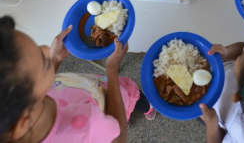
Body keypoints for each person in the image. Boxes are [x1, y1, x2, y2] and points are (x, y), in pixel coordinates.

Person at [0, 16, 156, 143]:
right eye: (42, 59)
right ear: (22, 123)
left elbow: (38, 86)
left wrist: (53, 61)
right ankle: (144, 109)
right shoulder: (87, 129)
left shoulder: (23, 105)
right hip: (113, 95)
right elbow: (119, 137)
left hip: (95, 90)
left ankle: (121, 120)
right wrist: (112, 70)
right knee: (128, 104)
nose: (47, 49)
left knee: (113, 123)